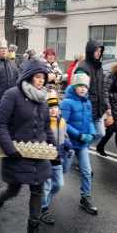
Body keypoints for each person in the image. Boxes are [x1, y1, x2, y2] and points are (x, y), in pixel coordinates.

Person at [0, 60, 55, 233]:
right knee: (14, 189)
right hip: (17, 153)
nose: (41, 81)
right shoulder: (13, 95)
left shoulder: (42, 99)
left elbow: (46, 127)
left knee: (38, 191)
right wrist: (10, 149)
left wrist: (53, 149)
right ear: (29, 76)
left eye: (43, 77)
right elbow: (0, 124)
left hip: (38, 154)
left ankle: (32, 232)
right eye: (37, 77)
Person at [60, 71, 98, 215]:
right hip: (69, 144)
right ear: (74, 86)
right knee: (63, 170)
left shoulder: (87, 102)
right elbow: (64, 123)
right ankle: (46, 194)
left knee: (87, 172)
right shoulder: (67, 102)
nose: (83, 89)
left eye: (85, 86)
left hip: (82, 145)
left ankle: (85, 198)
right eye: (80, 86)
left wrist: (92, 132)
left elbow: (89, 121)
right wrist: (80, 135)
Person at [41, 94, 72, 226]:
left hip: (58, 158)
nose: (53, 110)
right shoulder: (44, 123)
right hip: (47, 159)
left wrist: (68, 145)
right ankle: (43, 208)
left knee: (59, 184)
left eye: (56, 107)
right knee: (46, 186)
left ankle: (45, 201)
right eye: (50, 107)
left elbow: (64, 135)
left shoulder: (62, 122)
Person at [74, 40, 108, 140]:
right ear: (90, 51)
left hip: (98, 108)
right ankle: (82, 148)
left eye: (100, 51)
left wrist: (105, 105)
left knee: (101, 133)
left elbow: (102, 87)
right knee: (87, 133)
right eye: (96, 50)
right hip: (87, 107)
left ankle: (84, 146)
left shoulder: (99, 67)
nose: (99, 53)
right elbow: (78, 89)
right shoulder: (83, 67)